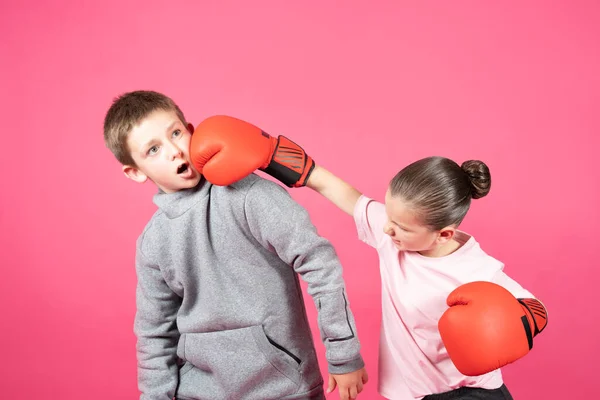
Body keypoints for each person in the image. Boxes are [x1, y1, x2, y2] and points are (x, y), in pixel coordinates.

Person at [188, 115, 549, 400]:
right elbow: (327, 183)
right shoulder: (392, 233)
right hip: (413, 394)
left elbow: (534, 309)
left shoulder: (475, 268)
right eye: (388, 216)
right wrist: (269, 151)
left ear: (444, 234)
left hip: (468, 394)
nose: (387, 231)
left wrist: (508, 328)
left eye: (401, 227)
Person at [102, 92, 368, 400]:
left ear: (191, 130)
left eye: (176, 133)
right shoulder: (153, 242)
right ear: (135, 171)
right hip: (198, 392)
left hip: (283, 388)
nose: (174, 151)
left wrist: (343, 353)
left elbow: (320, 263)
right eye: (153, 149)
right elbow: (154, 332)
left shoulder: (250, 195)